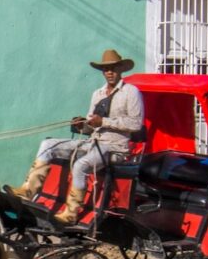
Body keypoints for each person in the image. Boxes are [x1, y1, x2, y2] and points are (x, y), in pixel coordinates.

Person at [9, 49, 144, 224]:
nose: (109, 72)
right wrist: (83, 125)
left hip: (115, 148)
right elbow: (91, 125)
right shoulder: (98, 94)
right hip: (93, 142)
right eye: (106, 69)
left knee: (81, 166)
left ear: (121, 70)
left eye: (113, 68)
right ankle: (29, 190)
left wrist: (103, 122)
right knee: (48, 144)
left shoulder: (131, 92)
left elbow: (136, 124)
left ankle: (71, 213)